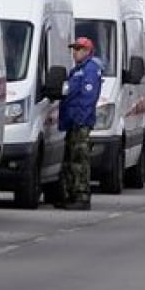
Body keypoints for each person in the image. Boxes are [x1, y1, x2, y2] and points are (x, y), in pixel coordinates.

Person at [58, 35, 102, 210]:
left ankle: (82, 196)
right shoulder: (77, 70)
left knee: (79, 159)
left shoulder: (90, 70)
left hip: (80, 122)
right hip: (72, 121)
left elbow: (88, 98)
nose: (74, 53)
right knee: (70, 160)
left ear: (87, 51)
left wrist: (80, 120)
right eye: (74, 49)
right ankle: (70, 194)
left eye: (78, 49)